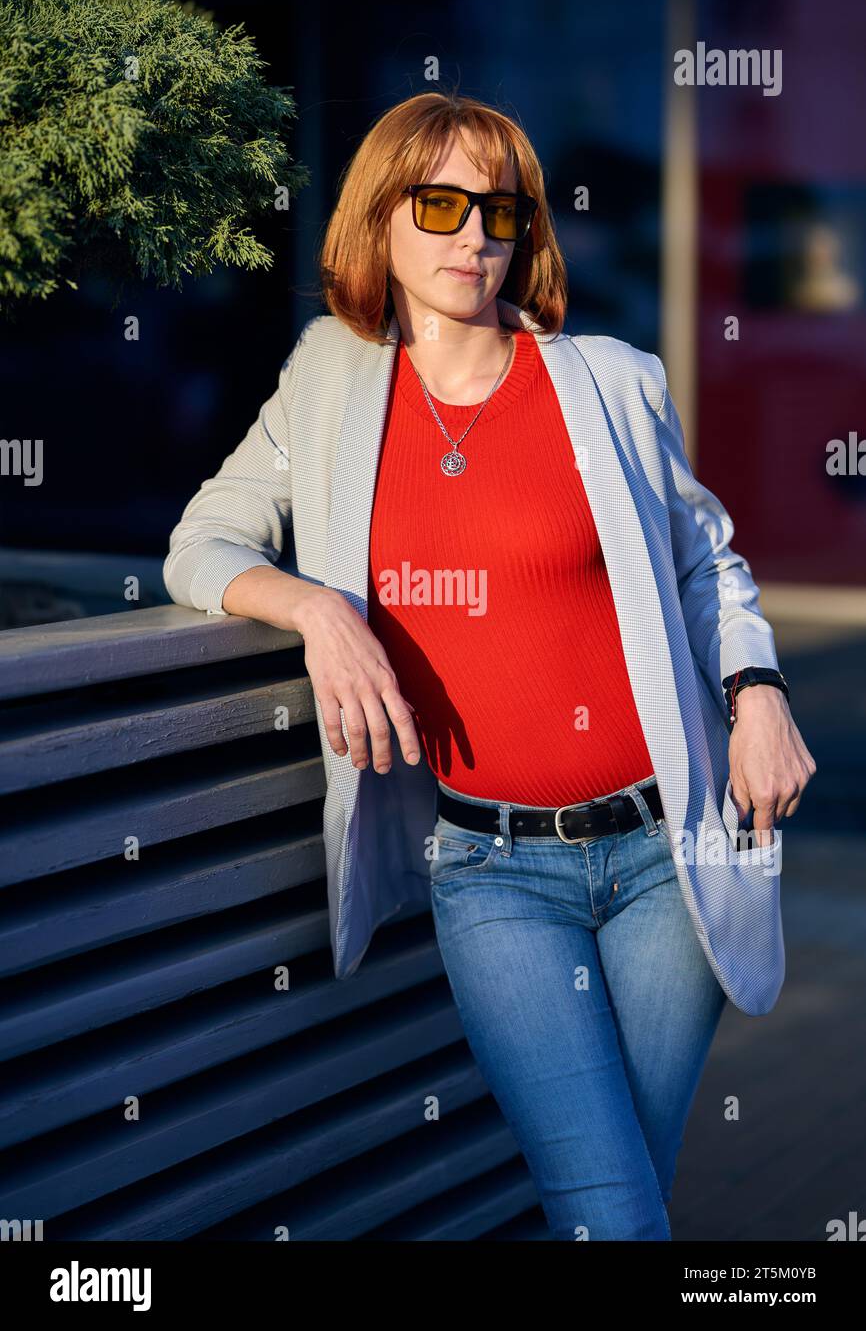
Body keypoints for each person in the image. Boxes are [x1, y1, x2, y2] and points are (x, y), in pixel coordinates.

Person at [163, 91, 816, 1241]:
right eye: (441, 203)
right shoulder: (327, 379)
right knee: (610, 1216)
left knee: (618, 1208)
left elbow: (705, 560)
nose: (474, 234)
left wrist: (756, 691)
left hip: (669, 851)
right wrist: (317, 608)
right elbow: (199, 544)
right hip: (491, 871)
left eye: (499, 209)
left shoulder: (609, 379)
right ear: (380, 219)